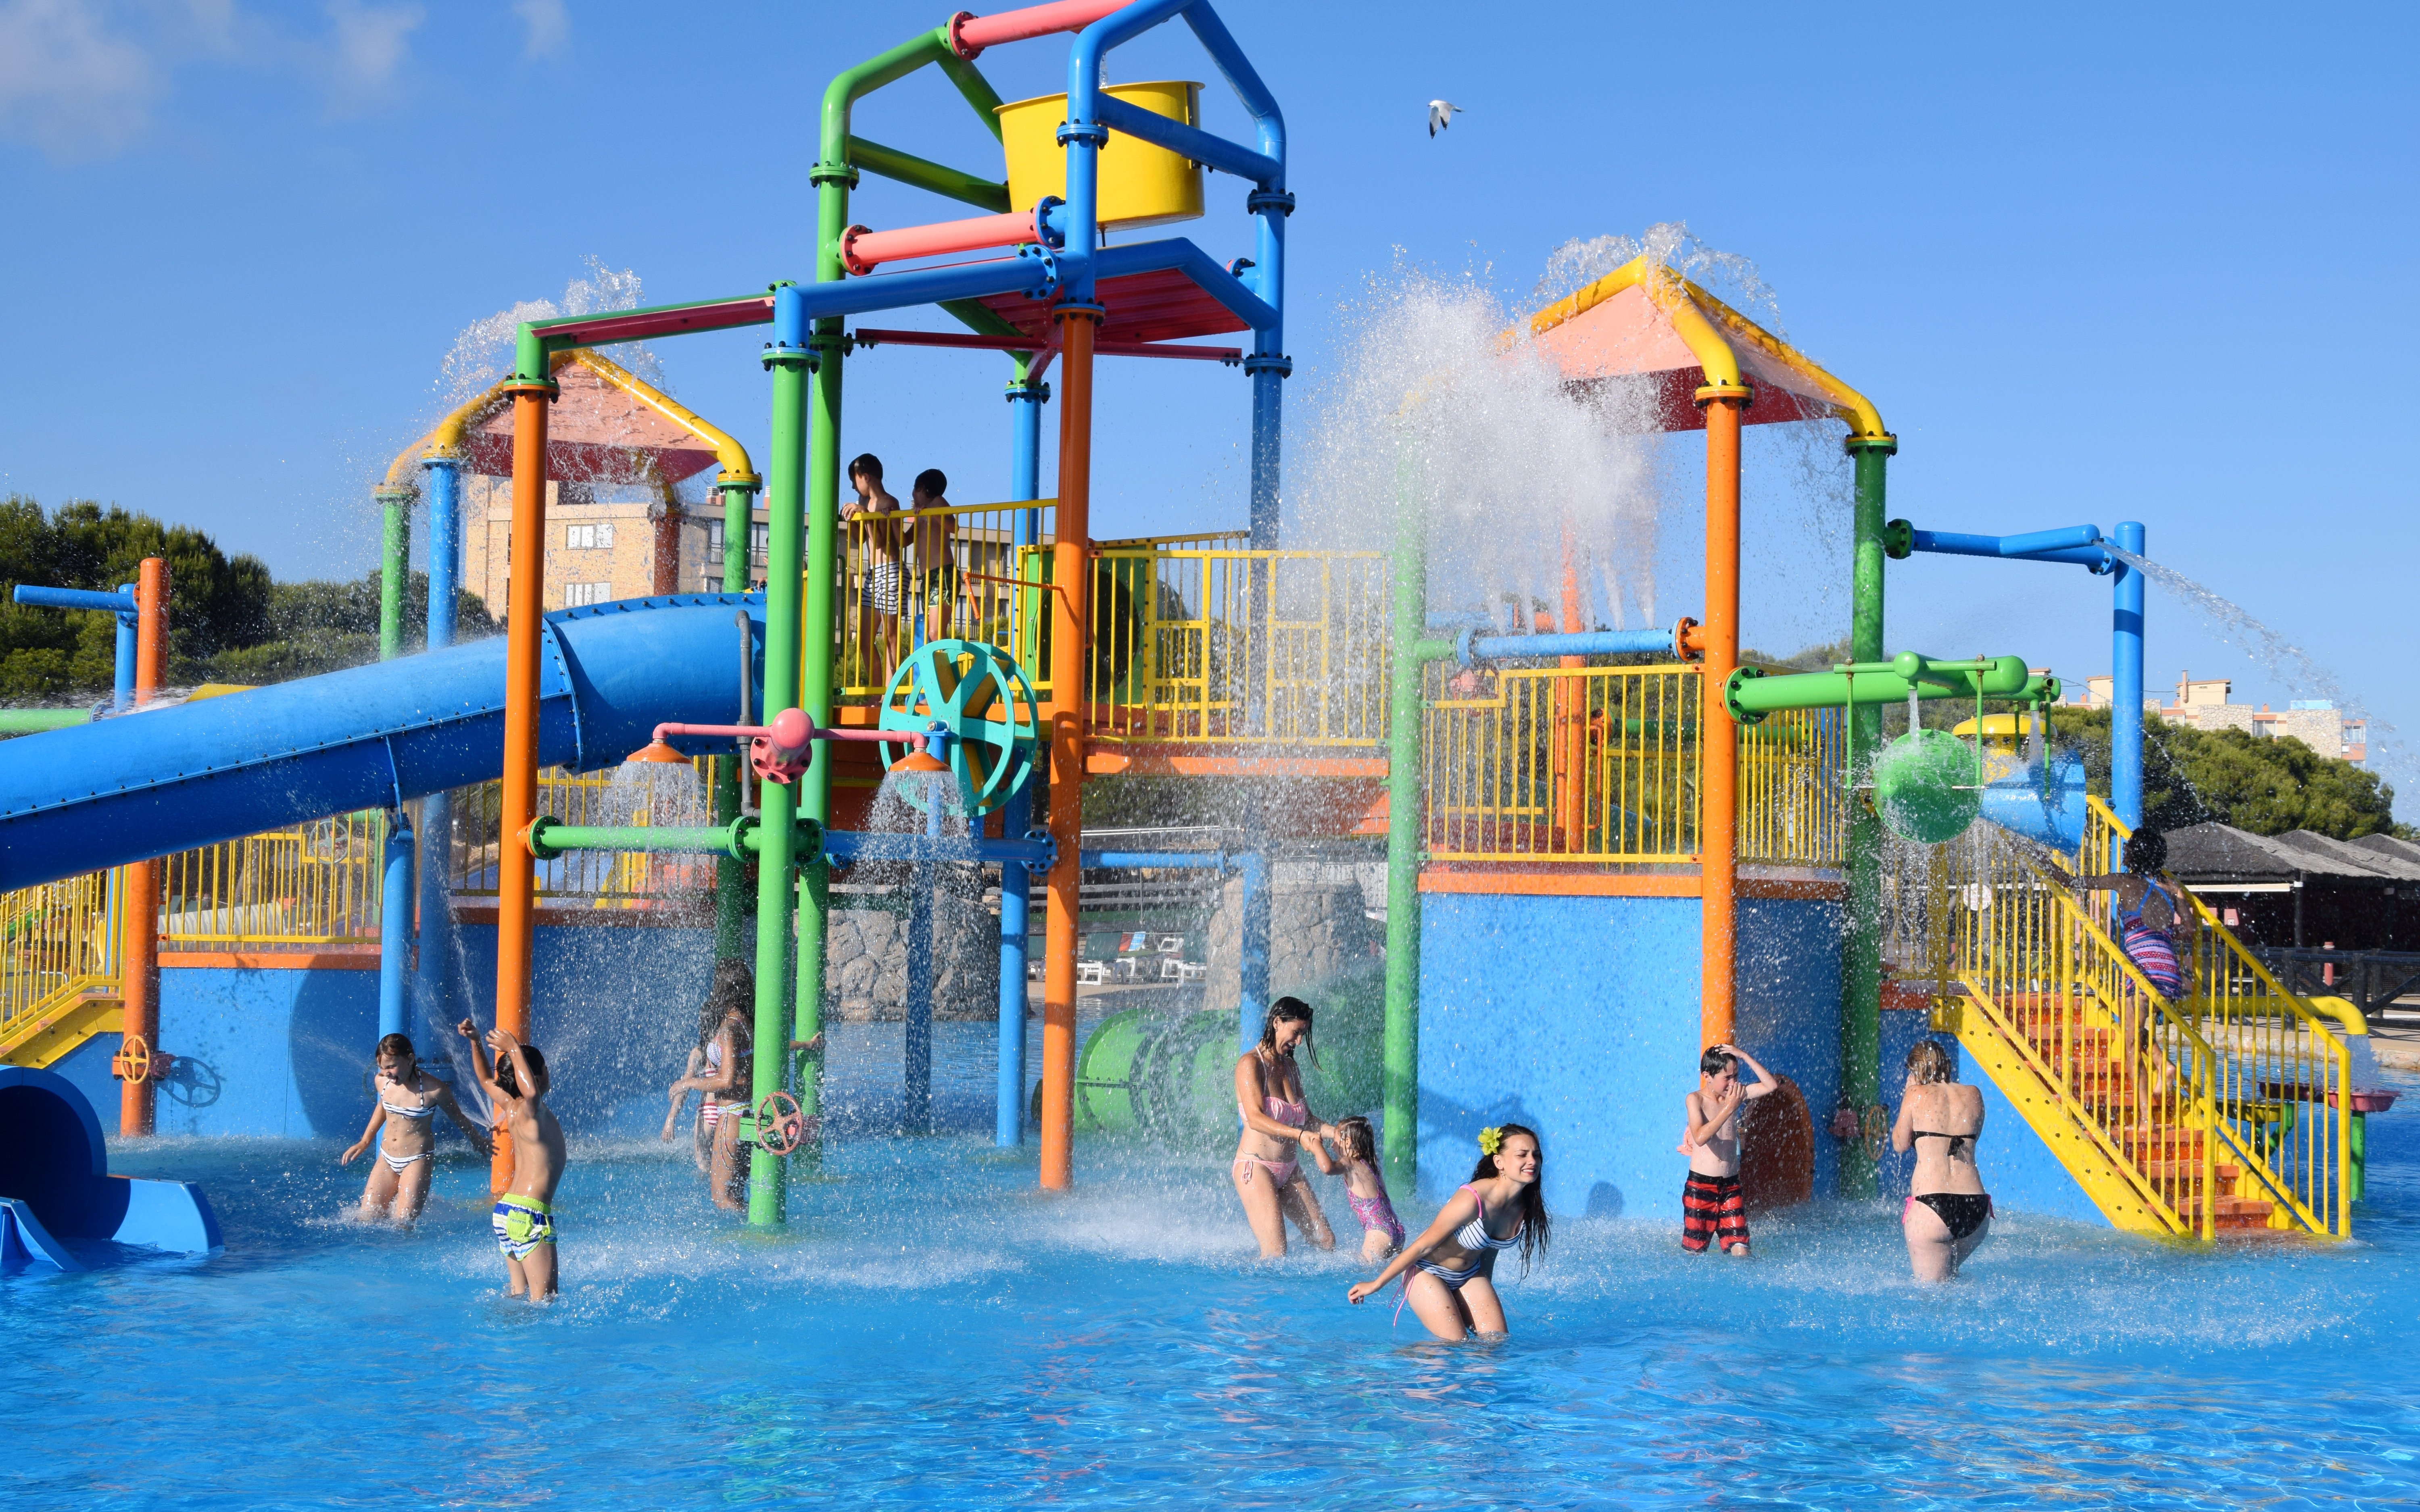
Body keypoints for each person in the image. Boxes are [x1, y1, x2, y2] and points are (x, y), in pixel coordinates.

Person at [2038, 827, 2190, 1125]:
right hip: (2169, 973)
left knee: (2131, 1046)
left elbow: (2072, 882)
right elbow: (2188, 930)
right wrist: (2181, 895)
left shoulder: (2124, 881)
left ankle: (2148, 1119)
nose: (2124, 851)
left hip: (2142, 971)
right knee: (2137, 1030)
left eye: (2129, 847)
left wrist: (2040, 859)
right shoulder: (2168, 887)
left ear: (2137, 853)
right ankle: (2164, 1066)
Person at [1347, 1123, 1550, 1342]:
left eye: (1536, 1155)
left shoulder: (1523, 1206)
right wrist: (1375, 1284)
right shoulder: (1472, 1199)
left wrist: (1485, 1294)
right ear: (1499, 1162)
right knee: (1455, 1346)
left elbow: (1489, 1250)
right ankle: (1404, 1361)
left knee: (1495, 1345)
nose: (1532, 1162)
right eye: (1523, 1155)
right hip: (1428, 1272)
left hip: (1469, 1274)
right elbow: (1423, 1246)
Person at [459, 1017, 564, 1302]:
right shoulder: (532, 1109)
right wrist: (513, 1048)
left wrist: (475, 1042)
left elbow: (484, 1080)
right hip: (530, 1214)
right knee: (545, 1302)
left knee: (518, 1297)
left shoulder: (511, 1105)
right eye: (544, 1069)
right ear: (536, 1075)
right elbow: (530, 1090)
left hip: (507, 1212)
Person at [1230, 996, 1341, 1258]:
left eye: (1303, 1034)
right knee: (1275, 1253)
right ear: (1277, 1023)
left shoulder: (1290, 1066)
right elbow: (1255, 1118)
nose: (1300, 1041)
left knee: (1325, 1241)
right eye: (1297, 1032)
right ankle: (1253, 1295)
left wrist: (1338, 1132)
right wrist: (1299, 1135)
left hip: (1289, 1170)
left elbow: (1307, 1119)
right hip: (1256, 1167)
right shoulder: (1250, 1065)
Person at [339, 1033, 487, 1225]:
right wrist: (365, 1141)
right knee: (367, 1218)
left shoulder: (434, 1090)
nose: (387, 1073)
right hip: (387, 1158)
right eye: (382, 1068)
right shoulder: (382, 1082)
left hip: (416, 1160)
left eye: (391, 1066)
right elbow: (383, 1106)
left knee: (403, 1223)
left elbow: (458, 1118)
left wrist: (477, 1140)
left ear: (410, 1059)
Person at [1891, 1039, 1991, 1281]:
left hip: (1931, 1207)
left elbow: (1900, 1143)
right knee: (1951, 1281)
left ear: (1916, 1070)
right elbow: (1974, 1136)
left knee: (1931, 1300)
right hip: (1976, 1210)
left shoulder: (1915, 1094)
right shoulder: (1973, 1093)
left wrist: (1909, 1093)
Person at [662, 960, 752, 1204]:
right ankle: (747, 1239)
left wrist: (688, 1084)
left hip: (730, 1115)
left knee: (721, 1198)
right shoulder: (746, 1022)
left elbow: (725, 1080)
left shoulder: (730, 1028)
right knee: (734, 1196)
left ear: (724, 986)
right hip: (741, 1112)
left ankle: (750, 1240)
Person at [1680, 1042, 1780, 1256]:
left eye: (1736, 1076)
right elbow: (1700, 1137)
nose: (1733, 1083)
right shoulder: (1695, 1099)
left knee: (1742, 1251)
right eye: (1727, 1078)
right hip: (1701, 1186)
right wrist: (1729, 1109)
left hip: (1730, 1186)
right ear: (1707, 1076)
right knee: (1695, 1253)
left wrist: (1744, 1055)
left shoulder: (1734, 1095)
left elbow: (1771, 1085)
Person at [843, 453, 902, 686]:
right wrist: (855, 519)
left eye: (854, 480)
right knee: (865, 640)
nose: (852, 486)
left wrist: (866, 515)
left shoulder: (890, 503)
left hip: (891, 570)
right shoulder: (865, 505)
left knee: (890, 635)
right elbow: (861, 540)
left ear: (865, 477)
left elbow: (881, 542)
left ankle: (889, 694)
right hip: (873, 573)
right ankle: (876, 691)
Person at [1331, 1114, 1405, 1262]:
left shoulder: (1349, 1164)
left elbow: (1328, 1168)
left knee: (1368, 1277)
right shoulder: (1372, 1165)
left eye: (1335, 1141)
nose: (1332, 1146)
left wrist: (1315, 1145)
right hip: (1396, 1230)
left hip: (1378, 1234)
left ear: (1348, 1142)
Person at [905, 468, 967, 642]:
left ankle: (944, 669)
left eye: (915, 489)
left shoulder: (938, 502)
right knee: (933, 634)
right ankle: (942, 669)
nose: (912, 494)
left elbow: (953, 527)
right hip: (928, 578)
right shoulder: (920, 515)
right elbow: (905, 541)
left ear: (922, 489)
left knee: (936, 633)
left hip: (943, 574)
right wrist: (888, 518)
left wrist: (932, 514)